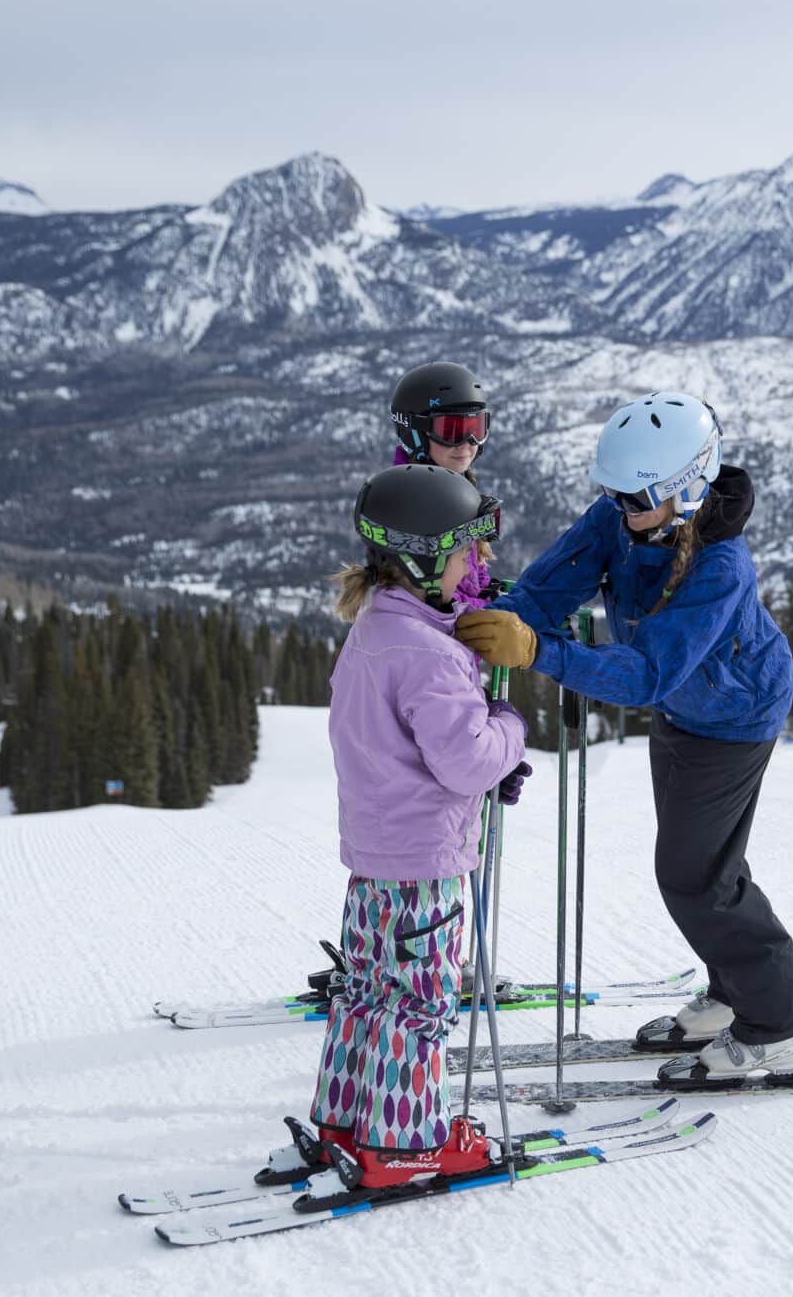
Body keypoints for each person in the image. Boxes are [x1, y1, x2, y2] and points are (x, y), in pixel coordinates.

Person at [454, 392, 793, 1077]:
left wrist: (538, 652)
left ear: (684, 490)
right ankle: (732, 992)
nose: (620, 508)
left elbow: (649, 670)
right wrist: (494, 626)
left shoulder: (721, 567)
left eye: (637, 497)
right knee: (706, 866)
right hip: (686, 708)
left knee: (695, 876)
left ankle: (785, 1022)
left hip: (735, 717)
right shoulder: (622, 520)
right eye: (612, 494)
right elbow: (548, 588)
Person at [305, 463, 531, 1188]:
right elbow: (467, 762)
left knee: (369, 995)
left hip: (374, 865)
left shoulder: (378, 630)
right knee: (419, 1006)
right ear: (422, 558)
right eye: (468, 550)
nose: (481, 563)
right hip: (424, 871)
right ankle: (404, 1142)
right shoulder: (429, 656)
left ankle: (348, 1117)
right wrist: (508, 729)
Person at [389, 360, 498, 608]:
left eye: (476, 429)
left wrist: (491, 598)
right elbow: (428, 595)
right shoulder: (410, 508)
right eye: (450, 431)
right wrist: (486, 612)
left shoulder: (456, 488)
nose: (467, 443)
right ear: (414, 432)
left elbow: (475, 572)